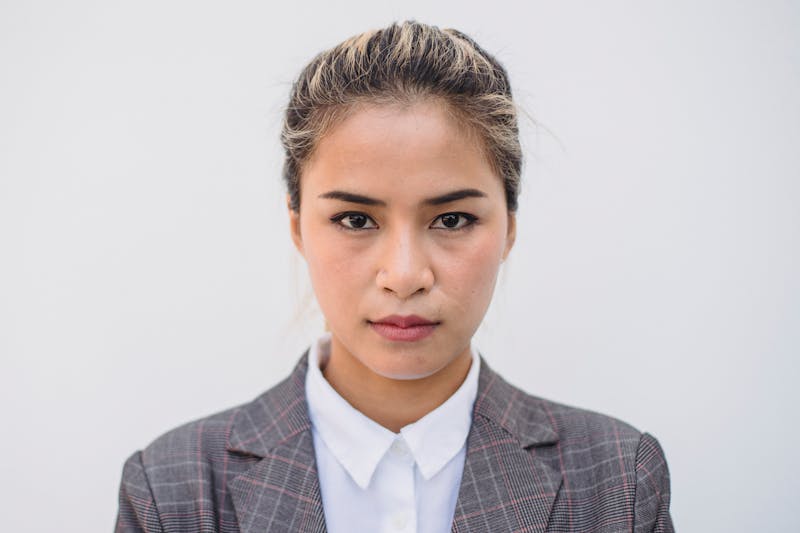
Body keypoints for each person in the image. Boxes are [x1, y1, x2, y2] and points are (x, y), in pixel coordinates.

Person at [116, 21, 673, 533]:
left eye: (452, 219)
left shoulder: (617, 484)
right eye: (355, 220)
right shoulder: (173, 492)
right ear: (297, 228)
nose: (405, 275)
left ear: (507, 229)